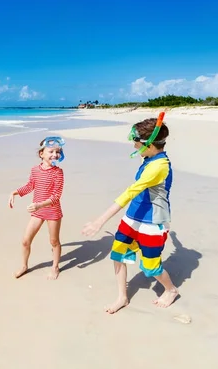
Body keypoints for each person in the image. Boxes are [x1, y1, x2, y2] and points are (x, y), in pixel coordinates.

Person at [81, 114, 179, 313]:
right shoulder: (150, 157)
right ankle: (122, 297)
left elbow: (130, 192)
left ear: (149, 145)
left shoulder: (159, 167)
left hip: (152, 222)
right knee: (118, 254)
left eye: (136, 142)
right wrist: (177, 241)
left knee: (150, 267)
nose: (133, 145)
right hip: (133, 216)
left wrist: (99, 222)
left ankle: (171, 290)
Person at [9, 136, 65, 280]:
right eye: (51, 151)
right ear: (42, 154)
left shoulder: (58, 172)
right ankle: (24, 265)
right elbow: (30, 185)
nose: (55, 155)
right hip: (38, 211)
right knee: (25, 240)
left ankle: (55, 267)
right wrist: (15, 192)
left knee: (54, 241)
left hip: (52, 211)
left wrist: (39, 204)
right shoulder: (35, 170)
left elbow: (56, 196)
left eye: (57, 152)